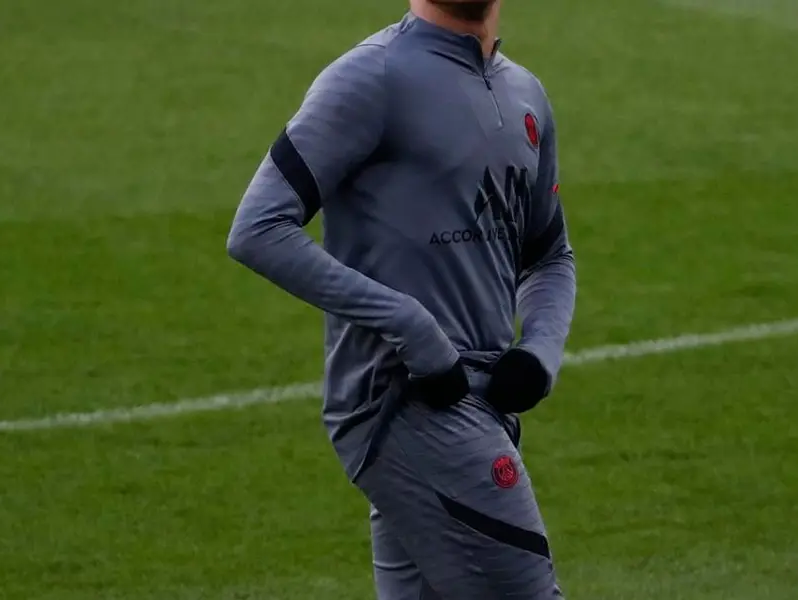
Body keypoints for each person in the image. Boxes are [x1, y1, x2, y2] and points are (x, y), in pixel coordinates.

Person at [225, 0, 576, 597]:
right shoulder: (372, 77)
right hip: (404, 402)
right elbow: (259, 228)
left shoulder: (527, 95)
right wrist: (412, 328)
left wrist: (538, 352)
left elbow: (550, 256)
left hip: (482, 405)